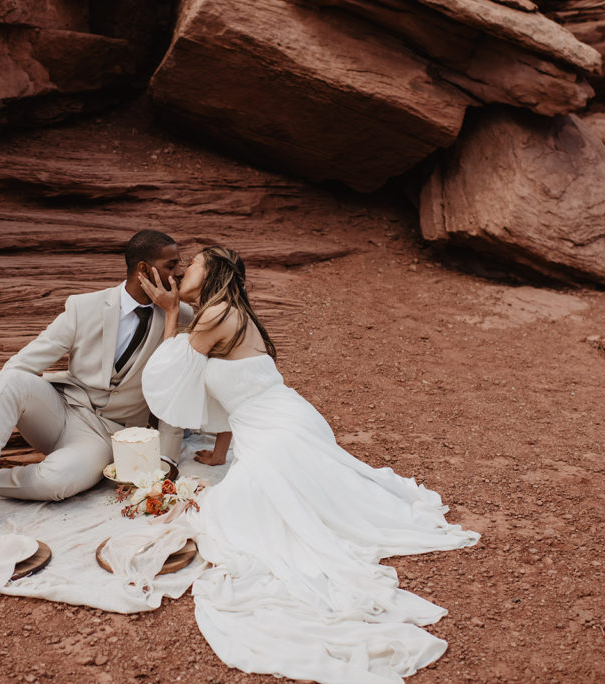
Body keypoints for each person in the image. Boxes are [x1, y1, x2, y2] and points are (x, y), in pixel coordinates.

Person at [138, 246, 480, 683]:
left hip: (281, 433)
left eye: (194, 264)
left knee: (234, 518)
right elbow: (229, 393)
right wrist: (221, 454)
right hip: (281, 424)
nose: (184, 269)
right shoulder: (230, 312)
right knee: (286, 505)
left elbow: (172, 369)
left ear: (213, 274)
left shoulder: (214, 315)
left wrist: (170, 313)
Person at [0, 230, 194, 544]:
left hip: (106, 435)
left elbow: (175, 390)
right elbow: (22, 364)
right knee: (13, 378)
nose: (177, 274)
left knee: (57, 483)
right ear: (143, 270)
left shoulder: (181, 319)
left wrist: (164, 464)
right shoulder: (83, 307)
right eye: (171, 266)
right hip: (60, 410)